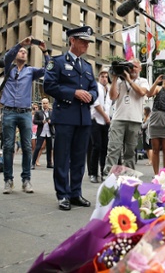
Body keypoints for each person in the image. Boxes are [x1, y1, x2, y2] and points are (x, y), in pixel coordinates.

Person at [44, 26, 98, 211]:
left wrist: (91, 95)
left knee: (78, 158)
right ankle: (63, 194)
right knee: (62, 157)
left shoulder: (88, 67)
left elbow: (95, 90)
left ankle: (75, 193)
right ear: (72, 40)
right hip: (65, 116)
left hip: (83, 119)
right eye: (83, 41)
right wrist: (73, 92)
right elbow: (49, 86)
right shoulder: (57, 62)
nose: (86, 44)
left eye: (88, 42)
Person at [1, 36, 50, 194]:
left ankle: (26, 180)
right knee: (8, 147)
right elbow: (8, 56)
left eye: (24, 52)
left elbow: (48, 69)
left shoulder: (31, 71)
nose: (22, 53)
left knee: (28, 148)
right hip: (8, 111)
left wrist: (44, 51)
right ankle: (8, 180)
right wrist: (21, 43)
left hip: (25, 113)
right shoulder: (8, 67)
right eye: (20, 52)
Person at [103, 58, 149, 175]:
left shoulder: (142, 81)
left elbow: (142, 93)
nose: (132, 69)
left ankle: (129, 176)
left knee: (130, 151)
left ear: (140, 68)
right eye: (130, 66)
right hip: (118, 119)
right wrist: (114, 78)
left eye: (134, 67)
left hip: (135, 120)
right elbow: (113, 96)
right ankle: (109, 175)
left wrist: (128, 79)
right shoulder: (119, 81)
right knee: (113, 149)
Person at [88, 69, 112, 183]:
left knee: (105, 147)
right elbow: (96, 104)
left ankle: (103, 172)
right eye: (102, 76)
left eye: (106, 77)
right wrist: (106, 117)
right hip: (96, 120)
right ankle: (93, 173)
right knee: (96, 146)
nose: (104, 78)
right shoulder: (96, 87)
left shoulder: (109, 89)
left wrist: (108, 118)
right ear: (99, 77)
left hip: (105, 122)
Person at [31, 98, 53, 169]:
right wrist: (42, 122)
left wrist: (50, 122)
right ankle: (33, 163)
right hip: (41, 132)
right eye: (44, 103)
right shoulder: (38, 112)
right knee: (38, 147)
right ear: (42, 104)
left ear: (48, 103)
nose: (45, 105)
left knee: (49, 148)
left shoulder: (51, 112)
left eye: (46, 103)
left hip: (49, 132)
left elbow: (55, 121)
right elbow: (34, 121)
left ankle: (49, 163)